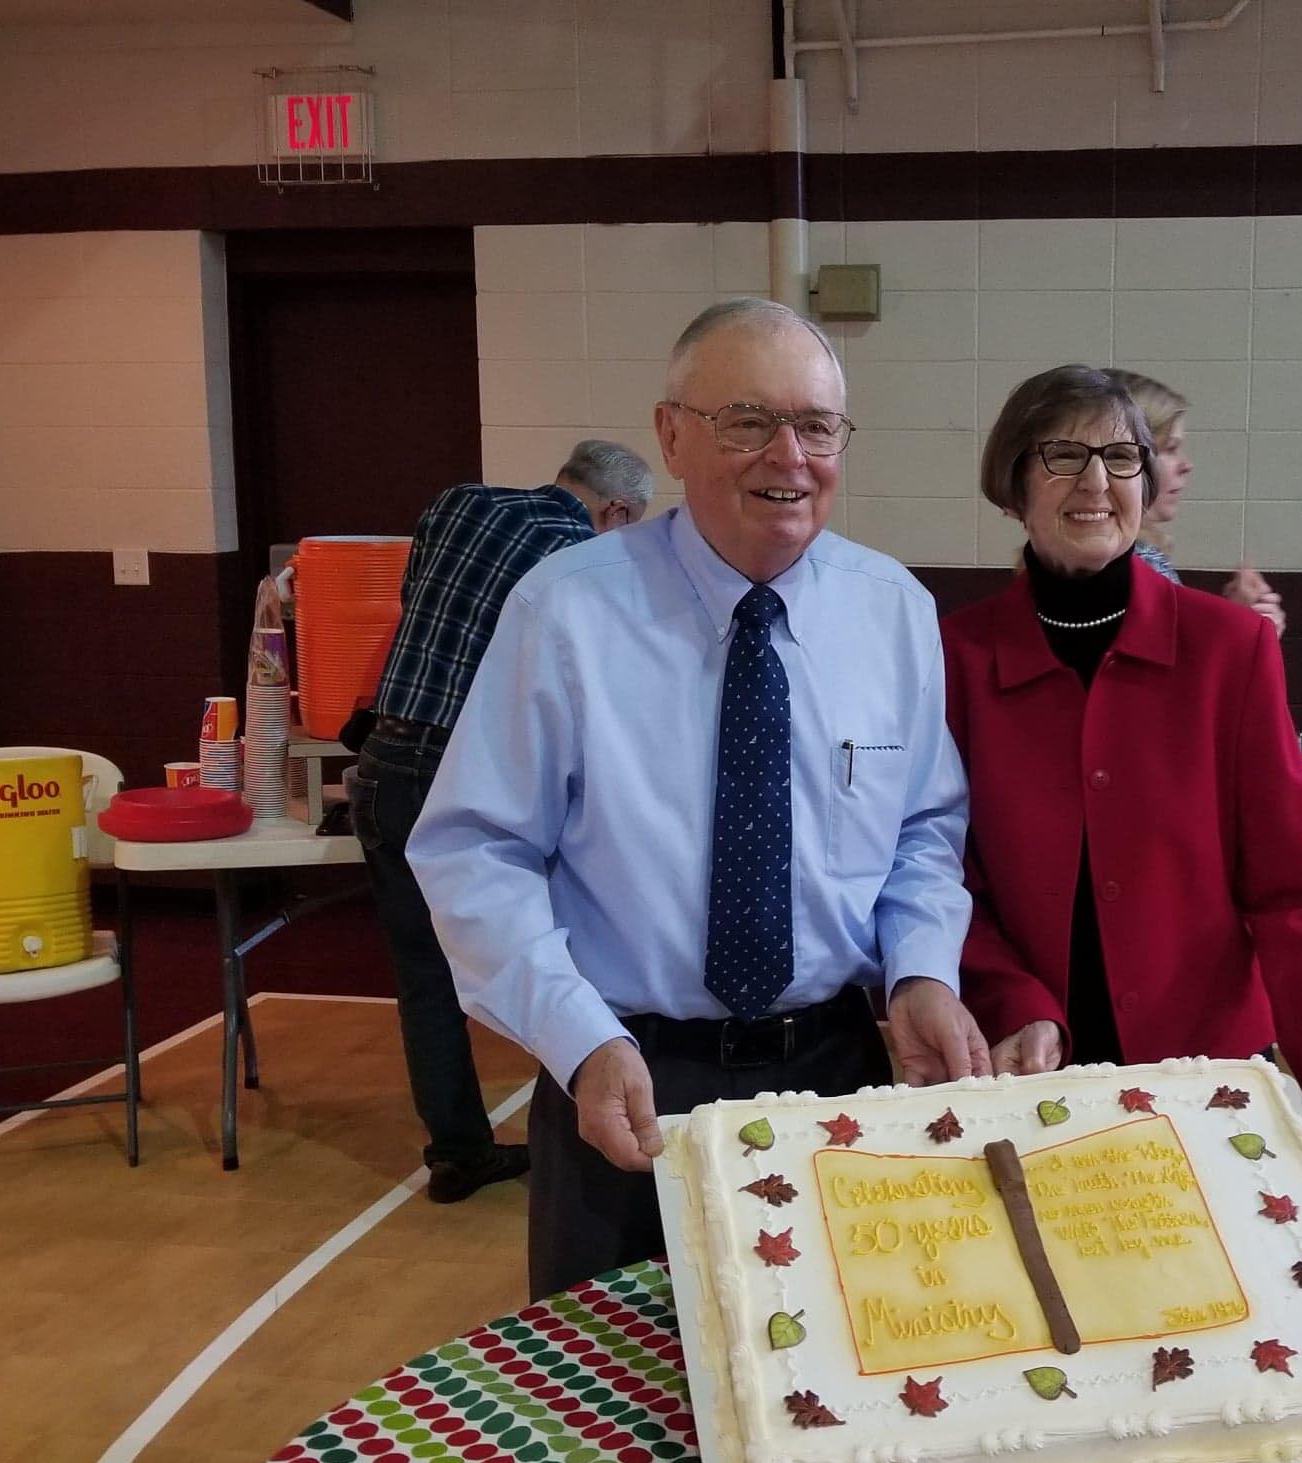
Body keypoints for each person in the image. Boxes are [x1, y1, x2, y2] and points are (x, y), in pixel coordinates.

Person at [407, 298, 989, 1300]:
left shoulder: (892, 611)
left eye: (816, 426)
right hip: (625, 1078)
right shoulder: (569, 610)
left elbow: (923, 835)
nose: (789, 456)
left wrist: (921, 974)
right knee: (609, 1402)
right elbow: (475, 852)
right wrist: (576, 1036)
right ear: (673, 434)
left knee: (835, 1382)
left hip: (835, 1078)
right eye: (747, 421)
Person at [944, 365, 1302, 1153]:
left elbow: (1293, 887)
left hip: (1203, 1070)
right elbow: (942, 875)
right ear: (1011, 487)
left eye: (1121, 459)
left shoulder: (1230, 649)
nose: (1096, 481)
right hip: (1024, 1067)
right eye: (1062, 456)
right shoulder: (956, 658)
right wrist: (1012, 998)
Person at [347, 441, 654, 1204]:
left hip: (384, 762)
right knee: (558, 956)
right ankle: (593, 1117)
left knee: (424, 977)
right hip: (466, 773)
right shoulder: (580, 562)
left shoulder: (455, 504)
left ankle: (457, 1151)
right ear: (614, 511)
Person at [1104, 369, 1286, 637]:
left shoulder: (1136, 556)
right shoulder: (1134, 565)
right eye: (1170, 448)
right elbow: (1174, 673)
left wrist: (1234, 618)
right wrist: (1245, 632)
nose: (1187, 465)